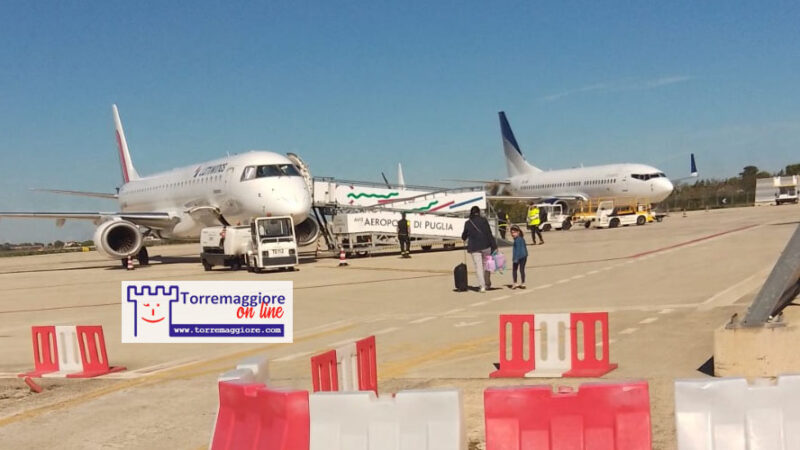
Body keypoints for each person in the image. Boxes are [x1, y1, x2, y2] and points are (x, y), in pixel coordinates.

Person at [461, 206, 497, 293]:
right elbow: (489, 233)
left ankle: (482, 286)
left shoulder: (468, 223)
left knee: (479, 267)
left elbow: (464, 235)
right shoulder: (484, 220)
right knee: (487, 265)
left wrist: (464, 237)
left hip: (474, 247)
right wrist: (494, 245)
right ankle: (487, 283)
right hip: (486, 245)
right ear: (479, 212)